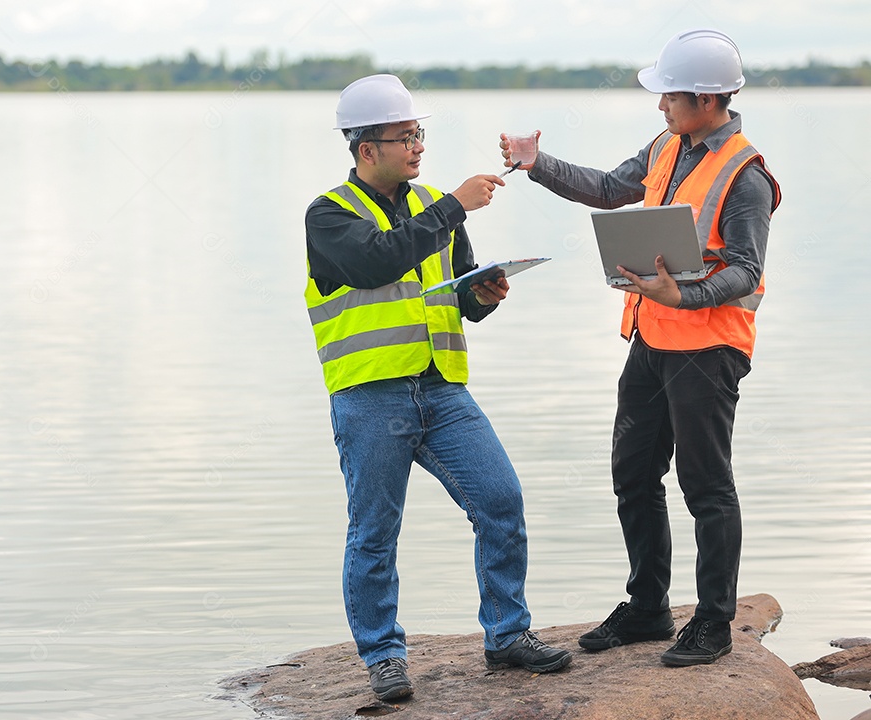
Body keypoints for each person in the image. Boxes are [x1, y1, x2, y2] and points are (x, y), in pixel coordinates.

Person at [500, 29, 781, 666]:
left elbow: (744, 269)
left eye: (670, 96)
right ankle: (650, 606)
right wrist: (534, 163)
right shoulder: (667, 145)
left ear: (708, 99)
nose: (660, 106)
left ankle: (713, 620)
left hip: (708, 350)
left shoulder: (748, 177)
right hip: (653, 339)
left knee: (705, 485)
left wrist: (681, 296)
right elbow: (606, 188)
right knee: (632, 473)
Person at [305, 74, 572, 702]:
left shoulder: (431, 203)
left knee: (500, 500)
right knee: (374, 530)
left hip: (442, 388)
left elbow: (456, 296)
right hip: (370, 394)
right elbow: (377, 263)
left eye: (419, 133)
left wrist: (483, 295)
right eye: (404, 137)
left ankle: (507, 635)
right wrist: (453, 205)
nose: (417, 145)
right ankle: (383, 657)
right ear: (366, 149)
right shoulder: (329, 214)